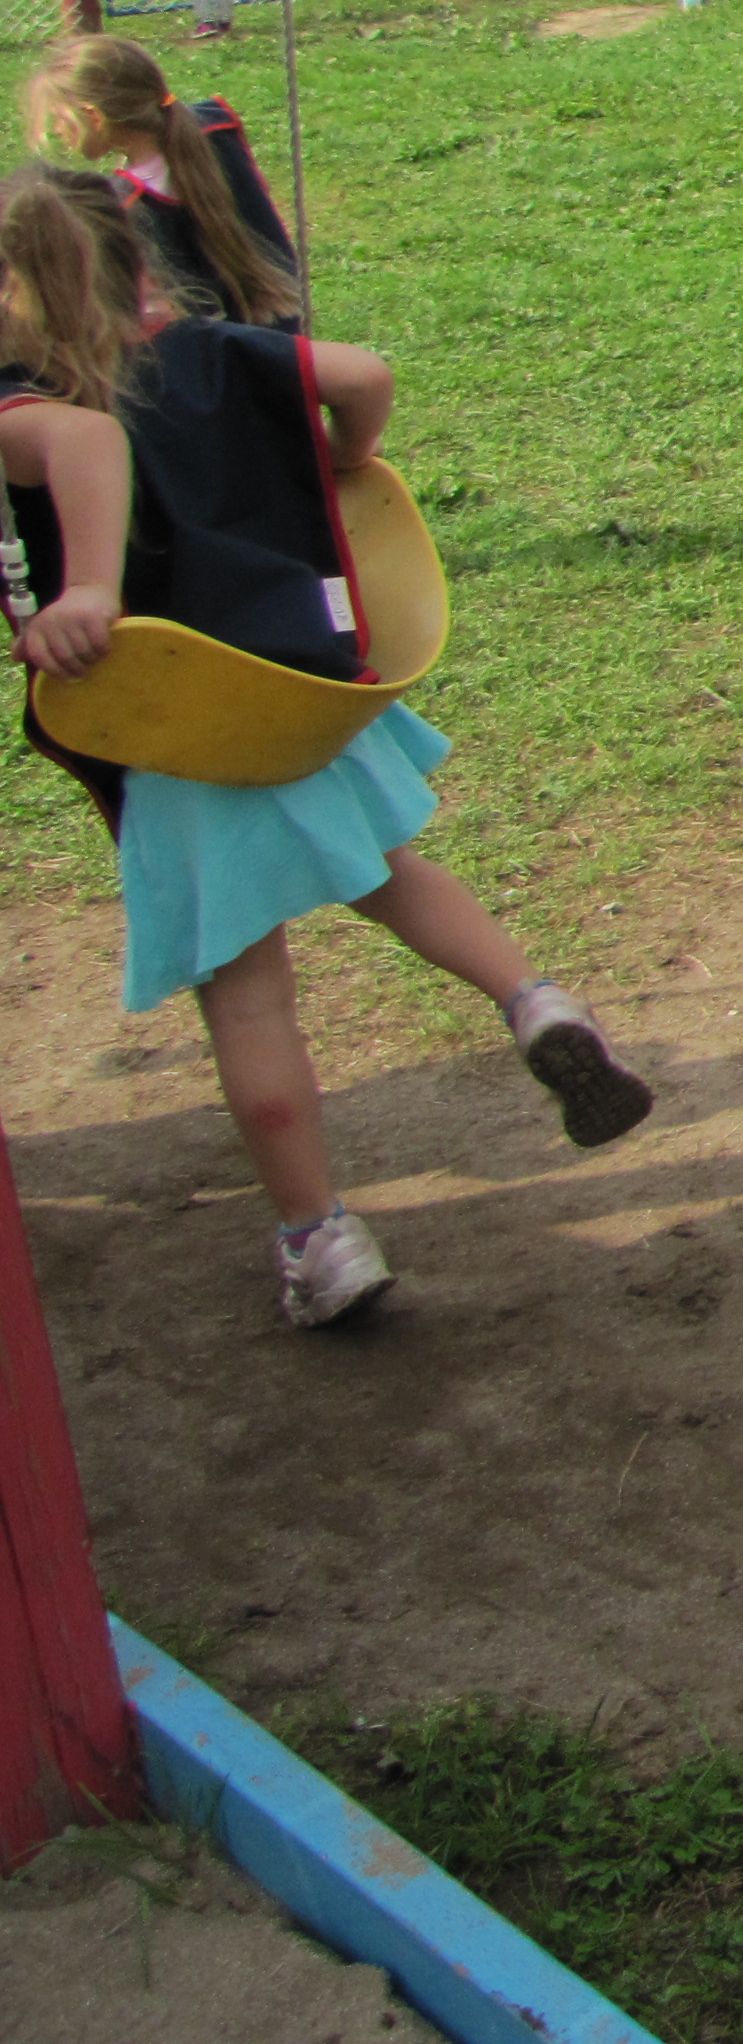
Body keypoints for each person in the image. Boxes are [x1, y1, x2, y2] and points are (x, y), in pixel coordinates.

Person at [0, 168, 651, 1330]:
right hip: (304, 681)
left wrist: (89, 587)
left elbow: (91, 441)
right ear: (139, 263)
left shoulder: (33, 406)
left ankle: (322, 1239)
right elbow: (363, 376)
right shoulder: (217, 350)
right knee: (390, 874)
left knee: (249, 998)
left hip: (180, 724)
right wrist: (348, 456)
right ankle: (537, 1002)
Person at [25, 34, 302, 327]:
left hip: (215, 349)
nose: (58, 130)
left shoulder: (126, 203)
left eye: (60, 119)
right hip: (282, 324)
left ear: (94, 117)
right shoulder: (215, 127)